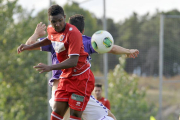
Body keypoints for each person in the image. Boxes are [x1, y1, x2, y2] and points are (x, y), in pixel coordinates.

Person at [18, 13, 139, 120]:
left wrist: (36, 34)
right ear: (83, 30)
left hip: (57, 92)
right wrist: (128, 50)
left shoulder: (56, 38)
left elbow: (29, 44)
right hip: (76, 88)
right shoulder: (86, 41)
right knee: (109, 117)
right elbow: (111, 48)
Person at [17, 5, 95, 120]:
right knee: (56, 113)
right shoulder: (51, 29)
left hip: (81, 78)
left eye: (60, 20)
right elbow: (50, 38)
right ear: (50, 20)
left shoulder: (73, 33)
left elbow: (73, 61)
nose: (57, 24)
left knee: (75, 116)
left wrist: (50, 67)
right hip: (66, 76)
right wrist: (30, 46)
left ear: (64, 17)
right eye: (54, 21)